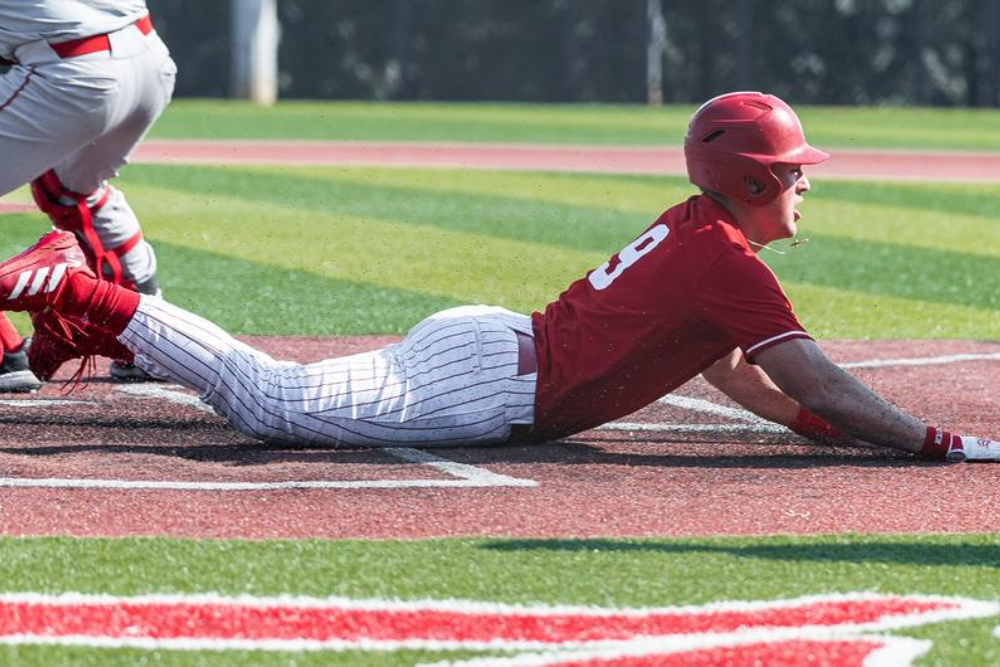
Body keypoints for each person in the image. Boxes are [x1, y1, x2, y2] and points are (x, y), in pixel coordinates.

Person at [1, 91, 997, 461]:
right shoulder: (725, 260)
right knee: (271, 402)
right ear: (750, 177)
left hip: (491, 352)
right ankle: (79, 290)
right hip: (491, 378)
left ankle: (86, 320)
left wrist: (824, 433)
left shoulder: (703, 234)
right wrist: (932, 441)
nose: (803, 191)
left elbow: (740, 375)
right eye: (793, 175)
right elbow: (813, 378)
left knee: (273, 398)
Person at [0, 0, 175, 391]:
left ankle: (5, 356)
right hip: (148, 58)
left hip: (73, 72)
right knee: (68, 191)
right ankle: (150, 336)